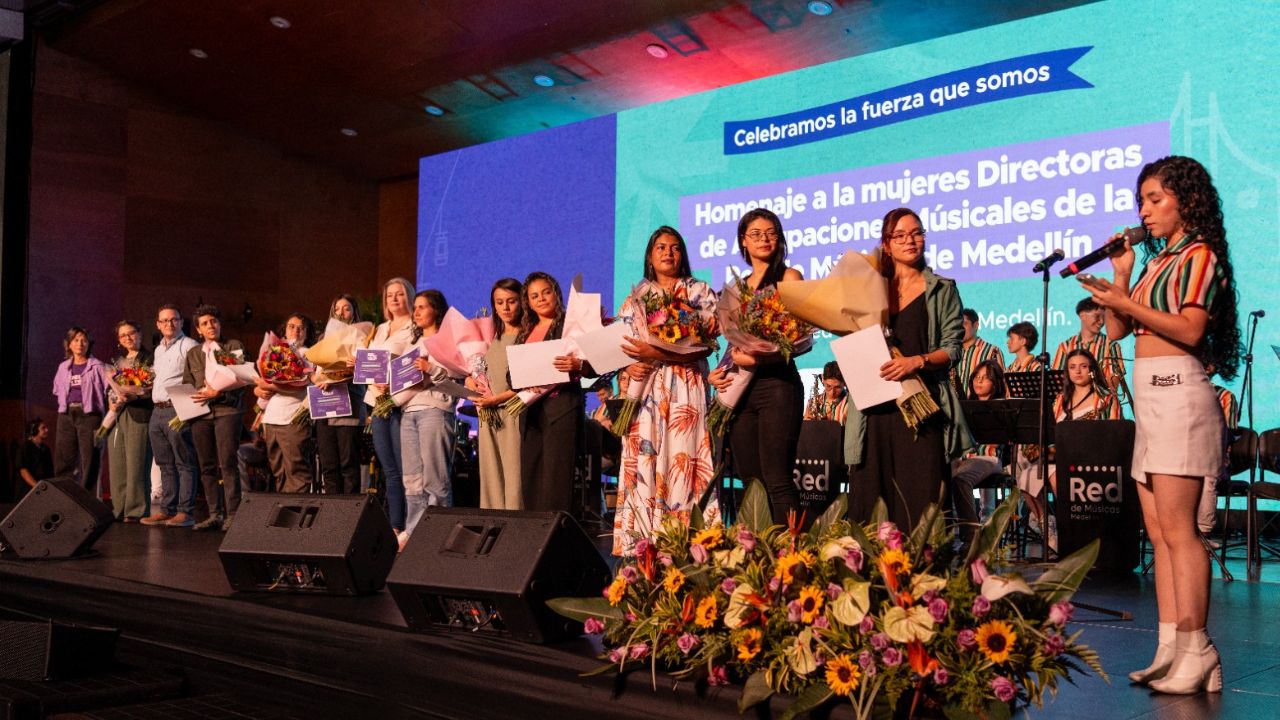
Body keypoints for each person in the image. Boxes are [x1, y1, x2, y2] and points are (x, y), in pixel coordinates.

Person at [1081, 155, 1240, 694]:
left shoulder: (1199, 255)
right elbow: (1123, 330)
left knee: (1180, 531)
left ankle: (1200, 648)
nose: (1144, 211)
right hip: (1148, 396)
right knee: (1157, 531)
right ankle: (1171, 647)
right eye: (1142, 201)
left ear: (1187, 201)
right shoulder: (1156, 260)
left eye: (1155, 200)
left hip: (1179, 392)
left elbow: (1191, 329)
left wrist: (1127, 301)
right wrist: (1123, 279)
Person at [843, 207, 971, 532]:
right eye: (899, 235)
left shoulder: (942, 289)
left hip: (920, 407)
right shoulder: (872, 287)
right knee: (870, 501)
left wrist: (918, 361)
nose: (910, 240)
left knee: (921, 503)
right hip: (874, 410)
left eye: (916, 233)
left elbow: (953, 348)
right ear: (886, 244)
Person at [613, 226, 720, 555]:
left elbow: (706, 346)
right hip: (644, 389)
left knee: (683, 459)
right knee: (645, 458)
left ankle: (689, 544)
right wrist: (628, 367)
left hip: (686, 388)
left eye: (675, 248)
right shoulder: (635, 298)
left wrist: (657, 353)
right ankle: (644, 544)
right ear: (649, 255)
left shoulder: (699, 291)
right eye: (661, 247)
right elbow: (620, 347)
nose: (668, 253)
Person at [709, 209, 804, 525]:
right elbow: (734, 346)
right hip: (742, 392)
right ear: (743, 242)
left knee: (777, 479)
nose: (764, 239)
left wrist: (761, 358)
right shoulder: (735, 290)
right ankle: (758, 559)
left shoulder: (790, 278)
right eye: (756, 233)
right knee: (752, 484)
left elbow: (797, 338)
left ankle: (791, 558)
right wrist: (718, 372)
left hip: (778, 386)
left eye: (771, 232)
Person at [1016, 348, 1121, 550]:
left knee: (1057, 476)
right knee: (1026, 477)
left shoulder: (1106, 398)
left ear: (1092, 370)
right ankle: (1048, 526)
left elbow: (1115, 434)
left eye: (1083, 366)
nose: (1078, 371)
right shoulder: (1059, 400)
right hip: (1062, 458)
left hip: (1093, 461)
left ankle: (1073, 530)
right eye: (1072, 367)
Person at [516, 271, 584, 514]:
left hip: (561, 408)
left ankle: (555, 536)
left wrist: (579, 366)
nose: (541, 299)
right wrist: (521, 381)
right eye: (534, 296)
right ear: (528, 302)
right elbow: (511, 373)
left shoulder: (570, 326)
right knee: (531, 476)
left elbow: (591, 366)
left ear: (556, 293)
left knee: (556, 478)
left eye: (546, 292)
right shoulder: (526, 331)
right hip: (531, 413)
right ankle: (534, 535)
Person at [398, 290, 458, 543]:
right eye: (416, 307)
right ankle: (413, 531)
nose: (417, 311)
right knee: (412, 479)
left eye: (423, 306)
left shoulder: (446, 342)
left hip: (434, 410)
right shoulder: (411, 346)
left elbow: (457, 376)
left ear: (436, 310)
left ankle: (439, 533)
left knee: (435, 477)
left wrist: (430, 368)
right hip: (408, 412)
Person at [183, 305, 246, 531]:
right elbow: (187, 384)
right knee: (207, 465)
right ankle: (214, 514)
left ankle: (234, 515)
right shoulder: (193, 354)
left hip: (228, 411)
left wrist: (219, 392)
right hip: (201, 414)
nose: (211, 326)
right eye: (205, 323)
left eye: (214, 321)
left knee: (227, 463)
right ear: (198, 330)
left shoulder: (233, 346)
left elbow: (241, 378)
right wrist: (193, 396)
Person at [142, 305, 201, 528]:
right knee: (165, 463)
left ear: (181, 322)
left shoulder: (189, 345)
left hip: (177, 408)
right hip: (157, 410)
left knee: (184, 461)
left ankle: (185, 512)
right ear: (158, 324)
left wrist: (188, 408)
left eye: (174, 320)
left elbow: (197, 377)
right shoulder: (158, 350)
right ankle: (166, 510)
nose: (169, 324)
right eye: (164, 321)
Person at [365, 277, 416, 531]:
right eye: (389, 296)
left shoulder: (415, 328)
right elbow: (371, 363)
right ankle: (395, 526)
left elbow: (413, 366)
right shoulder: (380, 328)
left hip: (401, 403)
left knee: (404, 470)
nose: (394, 299)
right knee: (389, 470)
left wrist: (392, 384)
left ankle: (409, 525)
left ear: (409, 296)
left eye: (399, 294)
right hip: (378, 402)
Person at [471, 278, 524, 510]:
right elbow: (478, 369)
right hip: (487, 414)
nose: (505, 307)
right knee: (491, 474)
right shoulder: (490, 336)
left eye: (511, 301)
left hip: (514, 412)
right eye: (499, 302)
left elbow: (528, 384)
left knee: (514, 475)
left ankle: (515, 530)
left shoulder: (527, 335)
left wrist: (497, 399)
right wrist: (470, 381)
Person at [255, 313, 315, 494]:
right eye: (291, 326)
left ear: (307, 332)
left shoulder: (310, 354)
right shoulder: (274, 351)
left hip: (294, 419)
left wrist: (269, 385)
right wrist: (259, 389)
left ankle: (297, 515)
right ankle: (284, 512)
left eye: (301, 327)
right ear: (284, 329)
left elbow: (300, 388)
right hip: (272, 418)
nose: (296, 331)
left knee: (297, 471)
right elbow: (261, 385)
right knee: (278, 471)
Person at [312, 295, 366, 495]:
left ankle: (349, 517)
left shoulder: (362, 337)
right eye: (337, 309)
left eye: (347, 309)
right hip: (324, 405)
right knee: (329, 465)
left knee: (348, 465)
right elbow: (315, 370)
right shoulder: (323, 339)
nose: (341, 313)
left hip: (349, 405)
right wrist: (317, 379)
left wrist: (337, 377)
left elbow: (367, 371)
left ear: (354, 313)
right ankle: (331, 515)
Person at [951, 359, 1006, 542]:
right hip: (967, 458)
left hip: (990, 458)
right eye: (976, 377)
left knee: (961, 479)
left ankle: (972, 535)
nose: (979, 381)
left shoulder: (1002, 407)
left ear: (995, 382)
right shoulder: (965, 407)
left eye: (985, 378)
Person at [105, 320, 154, 522]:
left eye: (131, 333)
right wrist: (112, 400)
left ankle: (135, 510)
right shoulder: (117, 361)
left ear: (140, 334)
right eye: (123, 335)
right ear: (119, 340)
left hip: (139, 412)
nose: (128, 338)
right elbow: (111, 386)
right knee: (117, 463)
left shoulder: (150, 358)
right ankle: (119, 508)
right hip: (118, 415)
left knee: (137, 462)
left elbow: (153, 387)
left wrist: (136, 395)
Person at [51, 327, 110, 491]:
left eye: (84, 340)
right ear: (69, 344)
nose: (80, 343)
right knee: (64, 458)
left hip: (90, 415)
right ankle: (65, 496)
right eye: (76, 340)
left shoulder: (98, 366)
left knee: (90, 458)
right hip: (66, 414)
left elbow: (109, 389)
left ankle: (87, 499)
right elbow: (57, 389)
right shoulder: (63, 367)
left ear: (89, 344)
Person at [1053, 298, 1126, 392]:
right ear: (1082, 315)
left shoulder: (1111, 346)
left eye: (1104, 318)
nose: (1101, 322)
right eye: (1097, 316)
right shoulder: (1065, 346)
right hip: (1073, 404)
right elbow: (1057, 380)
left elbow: (1114, 382)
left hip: (1102, 404)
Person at [954, 308, 1004, 394]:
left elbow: (1001, 384)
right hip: (956, 405)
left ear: (976, 325)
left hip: (982, 405)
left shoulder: (992, 351)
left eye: (964, 324)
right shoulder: (953, 351)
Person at [17, 419, 54, 500]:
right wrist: (37, 486)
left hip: (43, 492)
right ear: (34, 430)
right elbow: (23, 470)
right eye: (43, 428)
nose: (47, 430)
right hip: (29, 493)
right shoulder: (25, 447)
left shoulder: (46, 449)